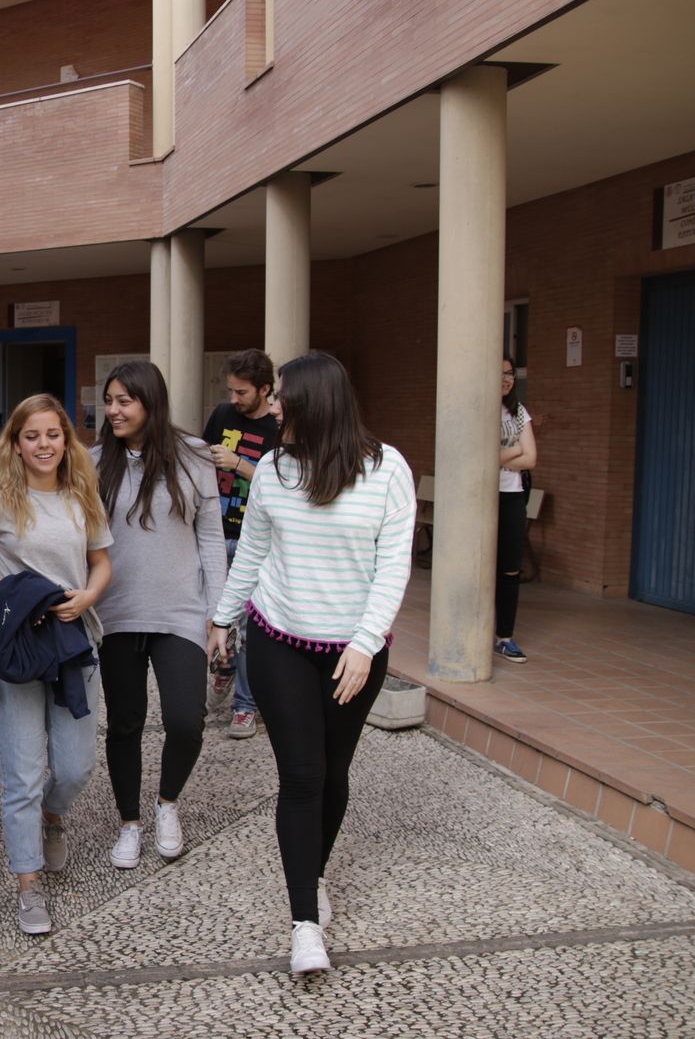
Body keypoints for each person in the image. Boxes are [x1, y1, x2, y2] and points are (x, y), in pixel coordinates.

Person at [206, 351, 415, 976]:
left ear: (314, 404)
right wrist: (222, 617)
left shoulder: (386, 469)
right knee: (301, 776)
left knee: (332, 772)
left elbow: (393, 565)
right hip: (280, 642)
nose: (272, 407)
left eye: (282, 398)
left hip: (353, 653)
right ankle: (305, 924)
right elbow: (253, 552)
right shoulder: (274, 470)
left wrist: (365, 643)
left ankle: (315, 872)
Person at [0, 394, 112, 935]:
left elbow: (101, 562)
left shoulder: (82, 493)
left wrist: (88, 595)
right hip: (17, 646)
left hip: (75, 641)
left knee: (75, 767)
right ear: (16, 443)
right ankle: (28, 884)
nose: (43, 445)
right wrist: (16, 594)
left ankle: (54, 815)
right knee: (22, 774)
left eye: (53, 435)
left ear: (66, 440)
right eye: (32, 436)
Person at [92, 361, 228, 868]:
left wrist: (219, 613)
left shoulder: (194, 455)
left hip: (181, 612)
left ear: (151, 402)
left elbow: (210, 536)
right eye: (109, 401)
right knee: (125, 724)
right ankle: (129, 822)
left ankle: (167, 803)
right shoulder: (93, 461)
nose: (113, 410)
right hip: (116, 614)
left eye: (124, 401)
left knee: (186, 721)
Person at [203, 348, 281, 740]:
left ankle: (245, 706)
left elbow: (282, 484)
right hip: (215, 535)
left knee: (251, 626)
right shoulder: (222, 415)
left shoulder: (279, 428)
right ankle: (225, 665)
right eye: (231, 391)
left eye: (242, 392)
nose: (233, 399)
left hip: (255, 541)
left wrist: (239, 465)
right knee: (213, 616)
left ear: (265, 389)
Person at [495, 355, 536, 663]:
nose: (506, 379)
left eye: (509, 373)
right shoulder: (480, 409)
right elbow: (482, 454)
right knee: (482, 567)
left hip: (512, 496)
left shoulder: (519, 412)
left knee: (510, 568)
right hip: (483, 498)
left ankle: (505, 637)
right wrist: (517, 449)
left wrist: (501, 454)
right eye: (500, 374)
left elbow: (531, 458)